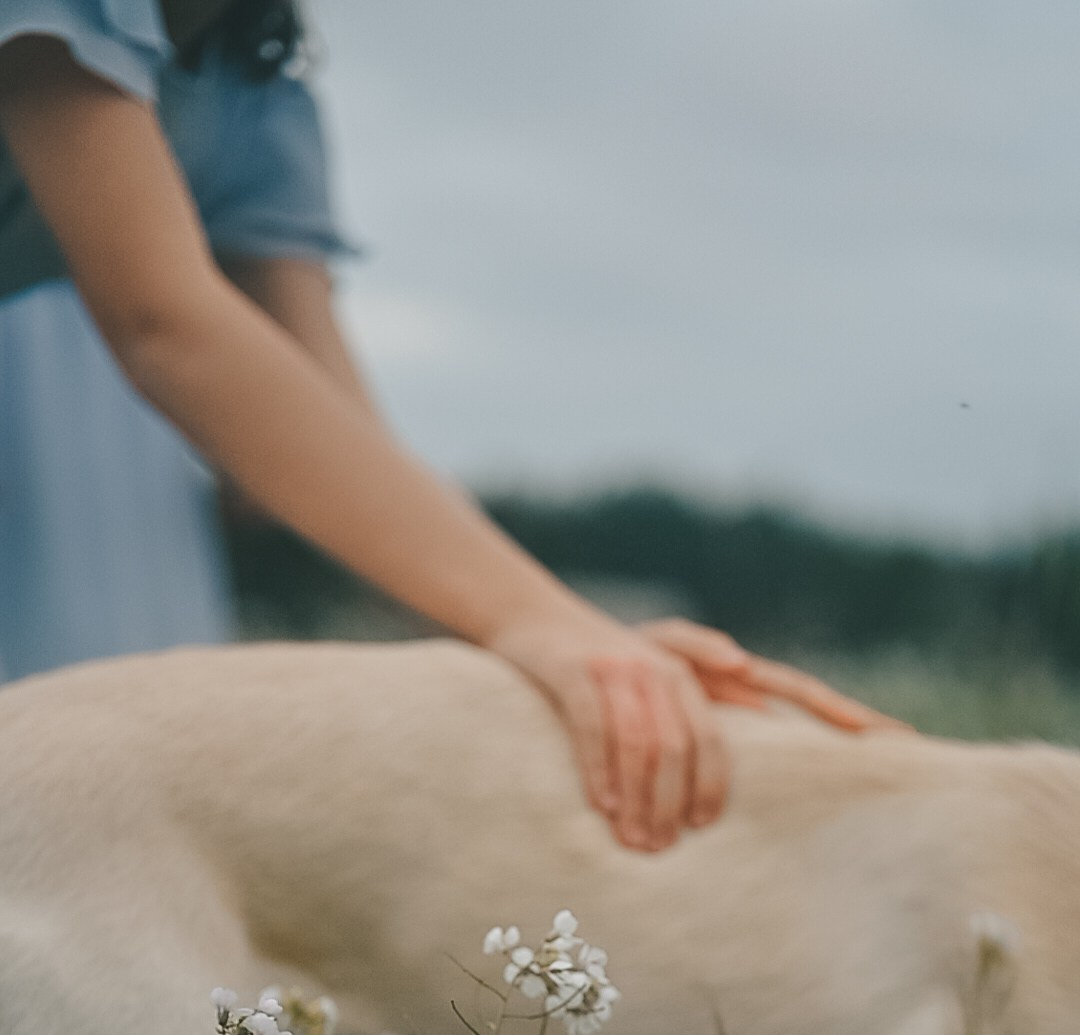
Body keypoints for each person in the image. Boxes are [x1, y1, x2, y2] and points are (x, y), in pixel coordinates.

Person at [0, 0, 886, 854]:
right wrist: (542, 622)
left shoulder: (250, 75)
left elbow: (328, 434)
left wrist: (579, 638)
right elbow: (166, 326)